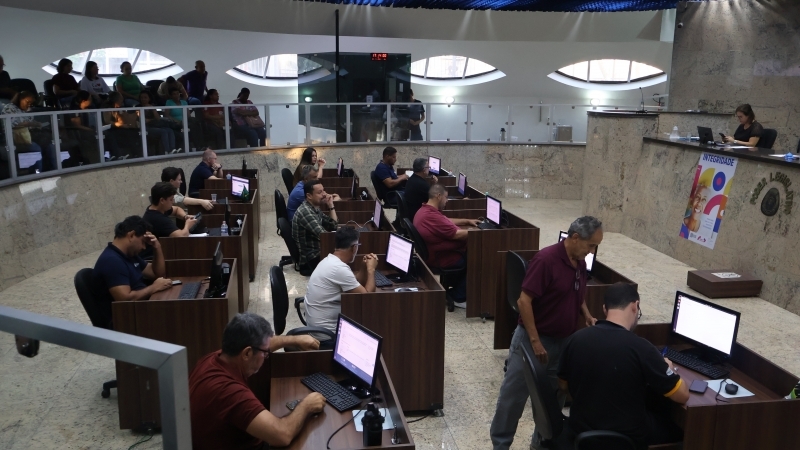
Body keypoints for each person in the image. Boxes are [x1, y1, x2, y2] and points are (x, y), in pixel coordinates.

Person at [490, 216, 603, 450]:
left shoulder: (580, 262)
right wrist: (535, 341)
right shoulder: (546, 260)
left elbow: (576, 292)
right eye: (591, 245)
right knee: (513, 399)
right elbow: (524, 301)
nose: (592, 251)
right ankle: (500, 445)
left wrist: (587, 314)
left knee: (552, 402)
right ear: (575, 238)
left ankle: (541, 444)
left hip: (563, 344)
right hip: (532, 341)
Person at [558, 283, 688, 448]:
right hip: (629, 437)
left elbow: (563, 386)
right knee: (679, 429)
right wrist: (668, 367)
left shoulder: (574, 340)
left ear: (604, 309)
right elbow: (682, 395)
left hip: (580, 431)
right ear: (635, 306)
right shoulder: (642, 348)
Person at [189, 312, 325, 450]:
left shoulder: (215, 358)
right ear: (247, 353)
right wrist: (306, 405)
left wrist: (295, 340)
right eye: (265, 353)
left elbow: (265, 344)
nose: (266, 356)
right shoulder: (229, 392)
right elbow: (283, 435)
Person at [305, 227, 378, 348]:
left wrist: (363, 267)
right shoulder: (339, 269)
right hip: (327, 338)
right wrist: (371, 269)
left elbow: (355, 284)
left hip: (316, 330)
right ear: (354, 247)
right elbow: (366, 297)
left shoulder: (329, 261)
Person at [93, 216, 172, 328]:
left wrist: (157, 247)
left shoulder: (128, 254)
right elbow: (125, 299)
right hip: (128, 320)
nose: (144, 247)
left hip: (139, 310)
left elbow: (157, 274)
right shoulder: (111, 261)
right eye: (143, 242)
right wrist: (153, 288)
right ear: (131, 235)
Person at [413, 184, 479, 307]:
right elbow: (457, 235)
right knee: (479, 258)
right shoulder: (431, 216)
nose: (447, 201)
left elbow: (446, 221)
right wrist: (480, 232)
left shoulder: (425, 210)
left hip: (433, 254)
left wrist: (467, 221)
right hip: (443, 258)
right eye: (446, 197)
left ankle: (458, 288)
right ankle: (458, 297)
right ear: (439, 196)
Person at [2, 91, 58, 172]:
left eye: (31, 103)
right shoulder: (9, 108)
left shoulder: (26, 109)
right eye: (27, 102)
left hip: (31, 134)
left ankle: (55, 169)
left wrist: (37, 124)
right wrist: (28, 124)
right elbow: (10, 124)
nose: (29, 105)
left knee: (51, 145)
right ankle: (38, 172)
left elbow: (30, 121)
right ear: (20, 99)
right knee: (36, 148)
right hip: (17, 138)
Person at [291, 180, 338, 274]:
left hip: (318, 251)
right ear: (309, 196)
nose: (324, 194)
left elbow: (333, 225)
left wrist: (331, 205)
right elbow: (325, 237)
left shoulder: (314, 207)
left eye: (323, 190)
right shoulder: (306, 212)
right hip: (310, 259)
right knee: (345, 254)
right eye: (320, 192)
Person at [103, 92, 142, 159]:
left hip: (118, 128)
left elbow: (123, 119)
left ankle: (135, 154)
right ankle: (112, 156)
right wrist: (120, 125)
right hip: (108, 129)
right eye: (121, 99)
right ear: (115, 99)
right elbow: (107, 121)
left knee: (132, 132)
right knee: (111, 136)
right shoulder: (107, 108)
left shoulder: (119, 108)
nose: (122, 101)